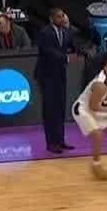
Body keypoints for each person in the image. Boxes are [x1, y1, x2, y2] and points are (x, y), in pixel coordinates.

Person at [36, 8, 77, 154]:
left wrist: (80, 52)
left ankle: (60, 140)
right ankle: (51, 143)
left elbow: (73, 44)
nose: (62, 19)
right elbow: (48, 51)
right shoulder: (45, 33)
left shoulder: (65, 31)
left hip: (60, 74)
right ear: (51, 19)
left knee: (60, 108)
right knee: (50, 110)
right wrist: (66, 58)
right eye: (59, 17)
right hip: (47, 75)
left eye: (63, 16)